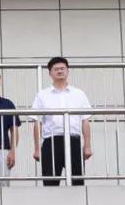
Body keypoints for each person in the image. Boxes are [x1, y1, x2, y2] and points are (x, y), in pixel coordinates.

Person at [31, 57, 92, 187]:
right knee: (50, 182)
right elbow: (37, 122)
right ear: (50, 73)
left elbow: (85, 120)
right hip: (51, 141)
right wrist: (37, 148)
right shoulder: (42, 95)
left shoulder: (79, 93)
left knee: (77, 181)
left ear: (67, 71)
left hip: (73, 140)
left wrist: (87, 146)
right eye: (56, 69)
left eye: (62, 68)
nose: (59, 71)